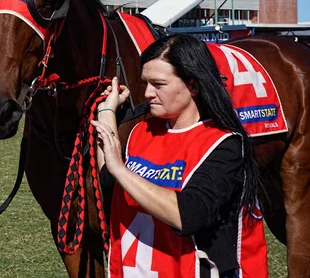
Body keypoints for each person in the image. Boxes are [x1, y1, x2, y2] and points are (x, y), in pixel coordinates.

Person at [91, 34, 267, 278]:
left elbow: (188, 215)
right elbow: (109, 180)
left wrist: (120, 168)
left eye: (159, 84)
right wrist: (107, 111)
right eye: (146, 83)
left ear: (193, 86)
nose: (148, 93)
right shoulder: (141, 130)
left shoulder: (226, 145)